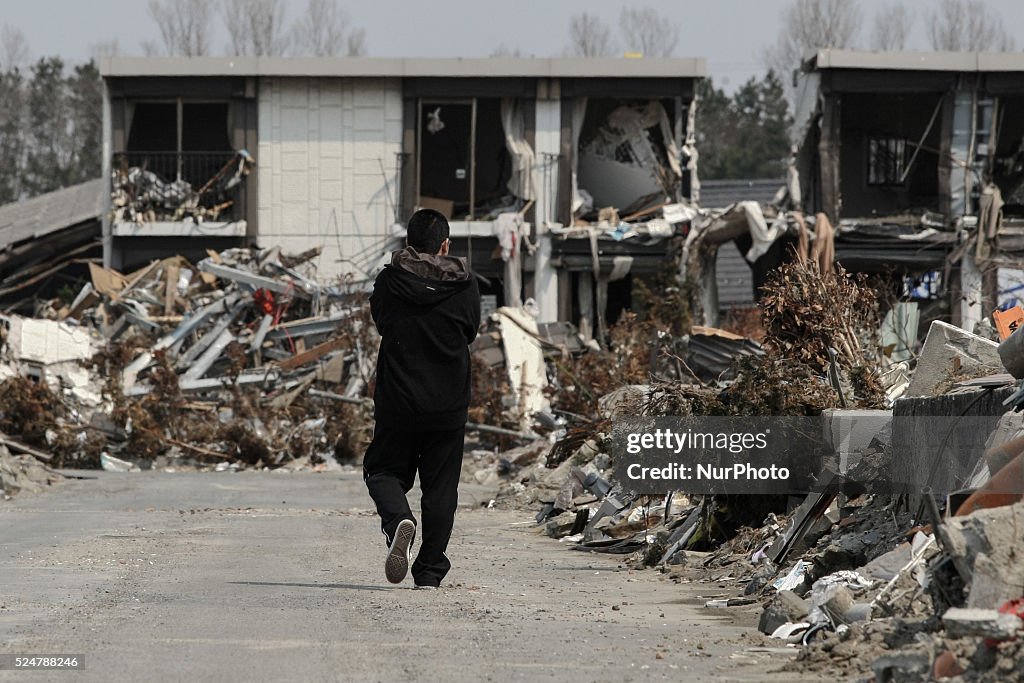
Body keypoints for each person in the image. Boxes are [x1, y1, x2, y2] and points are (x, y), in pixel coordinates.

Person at [363, 208, 481, 588]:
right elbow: (470, 331)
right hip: (447, 404)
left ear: (408, 244)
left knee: (382, 471)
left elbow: (381, 322)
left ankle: (398, 518)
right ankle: (429, 572)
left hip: (398, 399)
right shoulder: (465, 285)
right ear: (445, 245)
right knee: (441, 488)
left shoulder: (389, 282)